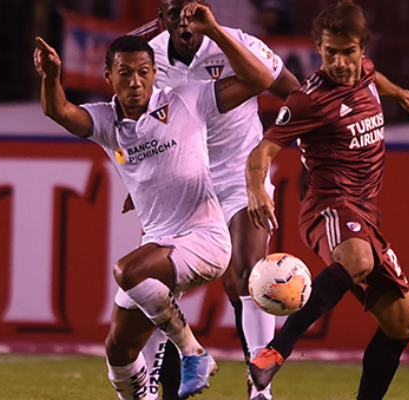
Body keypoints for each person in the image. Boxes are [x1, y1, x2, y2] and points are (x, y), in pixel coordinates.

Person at [33, 3, 275, 399]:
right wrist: (52, 77)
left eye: (143, 73)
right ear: (108, 76)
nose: (134, 83)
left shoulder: (187, 99)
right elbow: (59, 110)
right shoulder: (107, 121)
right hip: (161, 243)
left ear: (155, 74)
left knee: (127, 271)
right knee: (118, 350)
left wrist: (213, 31)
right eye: (124, 74)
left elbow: (260, 78)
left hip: (205, 239)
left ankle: (194, 351)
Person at [245, 1, 409, 399]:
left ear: (363, 48)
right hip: (327, 204)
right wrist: (257, 189)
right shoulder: (308, 100)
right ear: (318, 47)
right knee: (358, 260)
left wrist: (401, 93)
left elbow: (372, 77)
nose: (341, 63)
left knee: (403, 323)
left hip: (365, 212)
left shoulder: (363, 70)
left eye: (349, 52)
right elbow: (262, 152)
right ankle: (276, 351)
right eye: (331, 52)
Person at [126, 2, 301, 399]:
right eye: (174, 11)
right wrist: (141, 176)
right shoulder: (148, 57)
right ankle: (153, 387)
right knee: (156, 283)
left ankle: (260, 390)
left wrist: (271, 149)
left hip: (240, 173)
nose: (185, 20)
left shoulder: (237, 44)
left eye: (192, 9)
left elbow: (293, 92)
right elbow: (139, 118)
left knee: (247, 273)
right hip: (183, 179)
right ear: (162, 16)